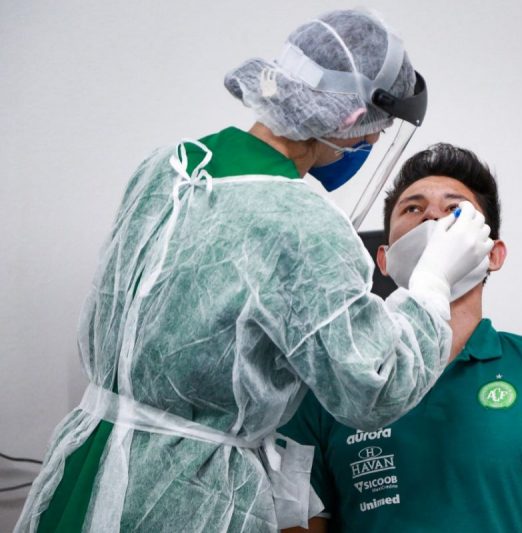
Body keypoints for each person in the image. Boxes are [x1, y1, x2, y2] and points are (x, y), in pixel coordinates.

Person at [15, 11, 493, 533]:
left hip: (82, 471)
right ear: (351, 118)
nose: (375, 143)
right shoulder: (300, 221)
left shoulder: (167, 168)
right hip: (179, 500)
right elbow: (374, 390)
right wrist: (432, 283)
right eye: (378, 129)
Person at [280, 143, 522, 533]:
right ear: (384, 260)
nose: (432, 215)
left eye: (455, 209)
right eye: (413, 208)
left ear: (493, 255)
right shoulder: (329, 385)